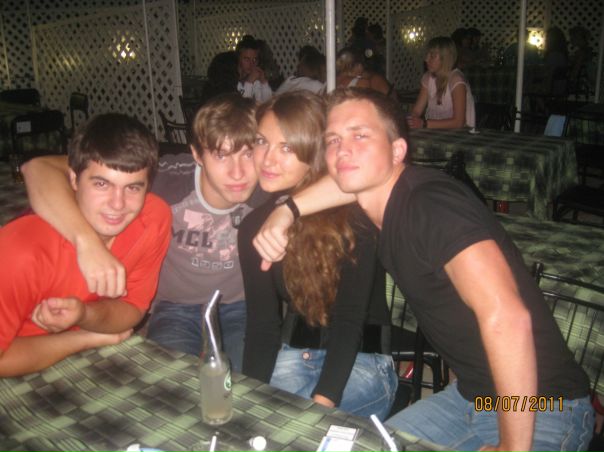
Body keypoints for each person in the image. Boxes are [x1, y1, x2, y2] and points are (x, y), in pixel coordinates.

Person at [251, 88, 594, 452]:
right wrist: (287, 210)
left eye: (360, 135)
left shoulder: (429, 204)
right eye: (333, 140)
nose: (343, 149)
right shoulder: (380, 209)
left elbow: (508, 318)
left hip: (544, 406)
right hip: (470, 398)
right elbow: (343, 185)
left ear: (398, 150)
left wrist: (513, 447)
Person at [20, 94, 261, 373]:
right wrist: (86, 242)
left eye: (248, 153)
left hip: (240, 306)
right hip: (176, 308)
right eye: (221, 155)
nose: (238, 173)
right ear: (197, 155)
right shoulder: (168, 178)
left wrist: (289, 210)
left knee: (248, 381)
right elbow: (38, 168)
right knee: (168, 380)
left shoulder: (268, 186)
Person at [238, 91, 397, 420]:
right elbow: (262, 328)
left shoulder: (355, 216)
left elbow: (350, 320)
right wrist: (250, 399)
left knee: (293, 426)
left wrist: (321, 405)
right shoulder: (255, 227)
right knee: (250, 421)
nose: (267, 160)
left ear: (315, 153)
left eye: (287, 147)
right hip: (293, 355)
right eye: (262, 142)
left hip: (362, 361)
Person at [1, 113, 172, 376]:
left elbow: (133, 308)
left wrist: (84, 315)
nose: (117, 204)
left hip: (90, 360)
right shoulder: (22, 251)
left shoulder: (153, 219)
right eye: (102, 184)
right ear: (73, 179)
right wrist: (84, 339)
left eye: (133, 188)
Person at [407, 36, 475, 129]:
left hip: (461, 134)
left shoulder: (456, 80)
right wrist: (410, 120)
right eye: (427, 55)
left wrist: (424, 124)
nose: (426, 59)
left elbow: (459, 122)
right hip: (435, 132)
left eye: (432, 56)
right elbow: (416, 111)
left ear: (445, 58)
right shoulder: (428, 78)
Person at [236, 37, 273, 103]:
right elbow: (242, 106)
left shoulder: (256, 81)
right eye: (247, 59)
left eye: (254, 59)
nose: (251, 64)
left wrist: (264, 82)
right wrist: (249, 82)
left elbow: (268, 103)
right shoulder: (231, 81)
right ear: (238, 59)